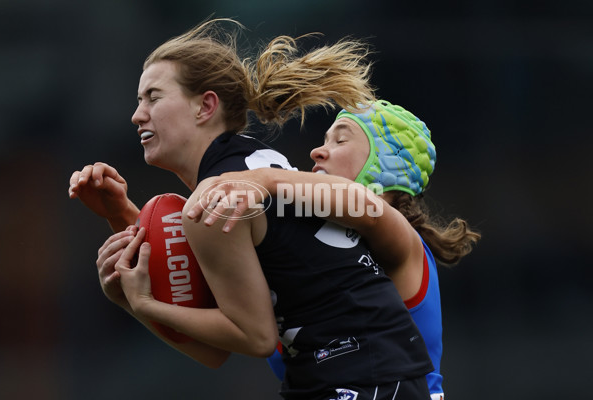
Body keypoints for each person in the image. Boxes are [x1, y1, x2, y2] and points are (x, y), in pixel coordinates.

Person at [68, 19, 433, 400]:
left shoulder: (217, 200)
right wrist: (123, 218)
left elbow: (255, 337)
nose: (137, 114)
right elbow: (214, 343)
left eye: (153, 97)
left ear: (205, 106)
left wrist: (141, 303)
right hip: (363, 375)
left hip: (359, 380)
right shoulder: (256, 161)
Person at [187, 100, 481, 400]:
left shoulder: (404, 241)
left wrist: (264, 178)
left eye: (340, 140)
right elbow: (215, 351)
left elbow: (365, 205)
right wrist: (141, 298)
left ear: (385, 164)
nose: (316, 151)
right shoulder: (312, 259)